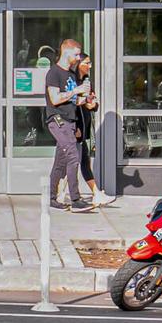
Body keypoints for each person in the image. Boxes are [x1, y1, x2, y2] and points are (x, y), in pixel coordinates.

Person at [45, 38, 92, 212]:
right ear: (66, 52)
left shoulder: (71, 75)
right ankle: (76, 199)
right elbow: (55, 99)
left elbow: (74, 100)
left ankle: (52, 197)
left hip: (70, 121)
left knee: (61, 161)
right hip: (57, 120)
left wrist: (87, 100)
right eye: (76, 54)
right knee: (73, 156)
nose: (78, 57)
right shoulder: (54, 73)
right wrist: (76, 91)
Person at [75, 54, 116, 208]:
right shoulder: (72, 82)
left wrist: (93, 105)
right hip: (74, 128)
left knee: (81, 161)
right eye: (87, 63)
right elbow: (68, 106)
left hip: (83, 128)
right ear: (79, 64)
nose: (90, 66)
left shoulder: (86, 82)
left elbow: (91, 102)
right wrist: (74, 127)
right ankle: (58, 194)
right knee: (70, 163)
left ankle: (95, 194)